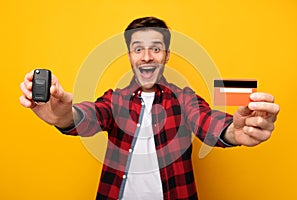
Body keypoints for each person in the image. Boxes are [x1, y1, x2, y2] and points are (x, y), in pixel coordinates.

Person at [20, 17, 280, 200]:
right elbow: (92, 115)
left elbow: (206, 119)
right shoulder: (115, 100)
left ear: (166, 55)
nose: (146, 57)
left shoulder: (184, 99)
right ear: (130, 56)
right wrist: (65, 116)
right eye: (138, 49)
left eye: (155, 49)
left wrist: (233, 132)